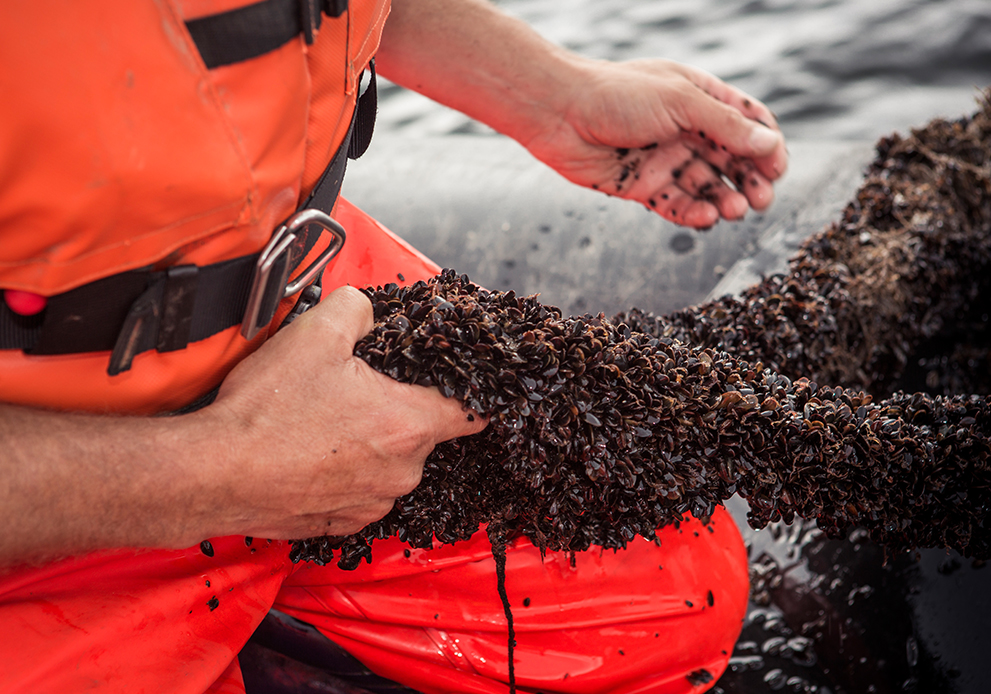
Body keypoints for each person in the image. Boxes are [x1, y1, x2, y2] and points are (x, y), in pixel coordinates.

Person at [0, 1, 787, 692]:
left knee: (668, 598)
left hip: (289, 286)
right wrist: (224, 471)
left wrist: (550, 93)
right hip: (49, 485)